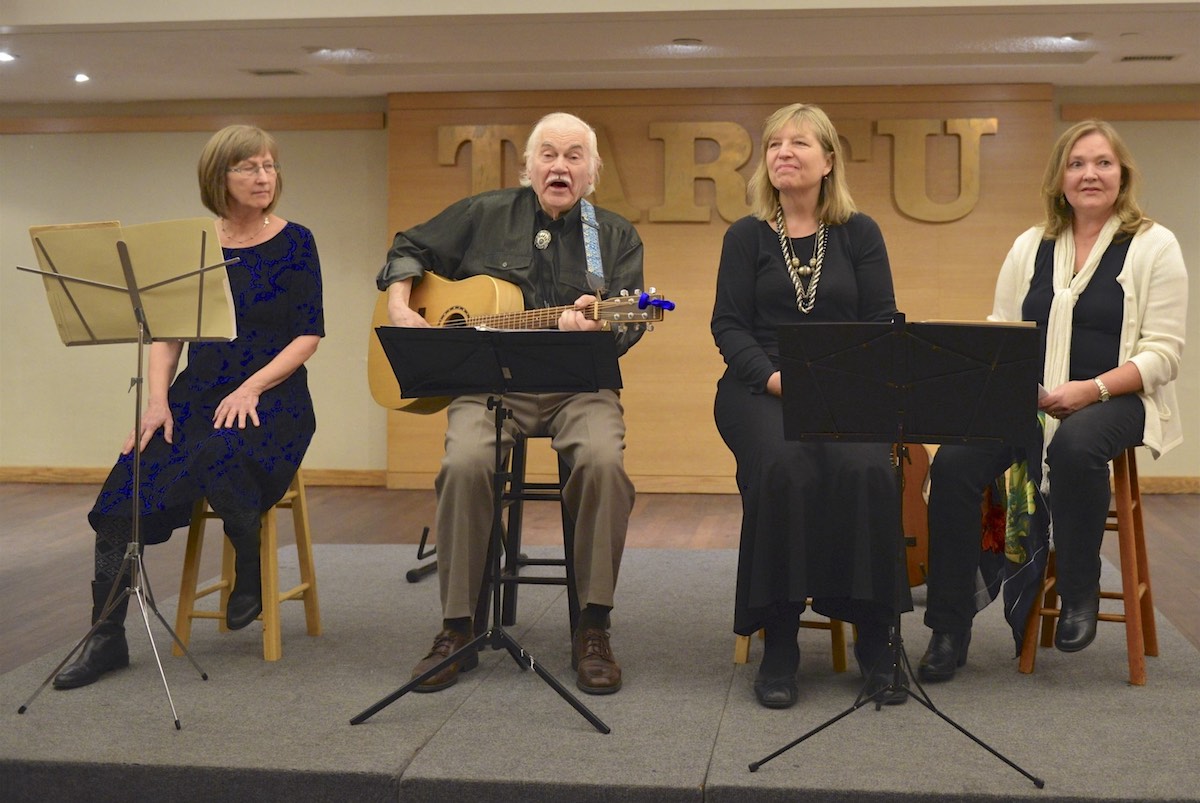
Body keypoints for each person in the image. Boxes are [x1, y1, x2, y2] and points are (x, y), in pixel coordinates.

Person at [376, 112, 645, 695]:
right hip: (489, 383)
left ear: (593, 173)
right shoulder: (483, 214)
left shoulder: (614, 237)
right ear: (527, 167)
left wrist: (597, 329)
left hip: (581, 387)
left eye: (575, 156)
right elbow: (407, 247)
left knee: (603, 463)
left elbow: (631, 321)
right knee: (464, 463)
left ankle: (593, 625)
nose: (560, 166)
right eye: (548, 154)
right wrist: (402, 305)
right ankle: (456, 626)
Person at [53, 125, 324, 690]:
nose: (263, 177)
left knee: (224, 454)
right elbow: (168, 336)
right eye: (249, 167)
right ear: (218, 177)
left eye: (270, 166)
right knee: (125, 487)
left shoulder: (297, 241)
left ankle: (247, 564)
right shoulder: (195, 245)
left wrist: (251, 387)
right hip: (197, 396)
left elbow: (308, 336)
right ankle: (106, 637)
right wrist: (156, 403)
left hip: (272, 399)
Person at [918, 120, 1188, 683]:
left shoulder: (1153, 245)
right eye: (1076, 163)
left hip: (1117, 397)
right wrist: (1023, 390)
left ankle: (1078, 592)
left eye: (1103, 163)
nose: (1090, 173)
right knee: (954, 463)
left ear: (1123, 174)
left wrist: (1090, 390)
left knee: (1076, 447)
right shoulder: (1030, 245)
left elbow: (1163, 354)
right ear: (1059, 178)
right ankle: (948, 627)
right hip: (1029, 399)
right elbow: (1000, 330)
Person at [711, 103, 908, 709]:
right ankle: (782, 643)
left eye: (799, 143)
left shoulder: (860, 233)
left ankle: (878, 641)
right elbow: (728, 326)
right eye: (774, 144)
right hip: (758, 389)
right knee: (785, 467)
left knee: (868, 470)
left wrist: (843, 381)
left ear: (828, 161)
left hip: (845, 388)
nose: (783, 153)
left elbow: (880, 322)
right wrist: (776, 380)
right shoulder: (745, 236)